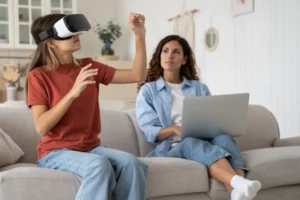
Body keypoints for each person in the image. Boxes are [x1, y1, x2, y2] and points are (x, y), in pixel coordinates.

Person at [26, 13, 148, 200]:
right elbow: (41, 126)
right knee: (99, 165)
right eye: (70, 34)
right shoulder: (39, 76)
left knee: (132, 164)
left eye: (76, 32)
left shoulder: (88, 66)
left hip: (89, 148)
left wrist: (139, 35)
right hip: (55, 152)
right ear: (51, 43)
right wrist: (72, 93)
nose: (77, 36)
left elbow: (137, 75)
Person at [135, 35, 261, 200]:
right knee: (190, 141)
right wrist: (174, 129)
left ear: (184, 59)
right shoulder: (148, 90)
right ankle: (240, 182)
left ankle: (238, 193)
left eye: (176, 52)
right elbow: (149, 131)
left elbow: (211, 118)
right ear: (159, 56)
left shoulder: (199, 88)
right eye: (165, 51)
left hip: (204, 140)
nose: (169, 56)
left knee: (224, 138)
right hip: (172, 146)